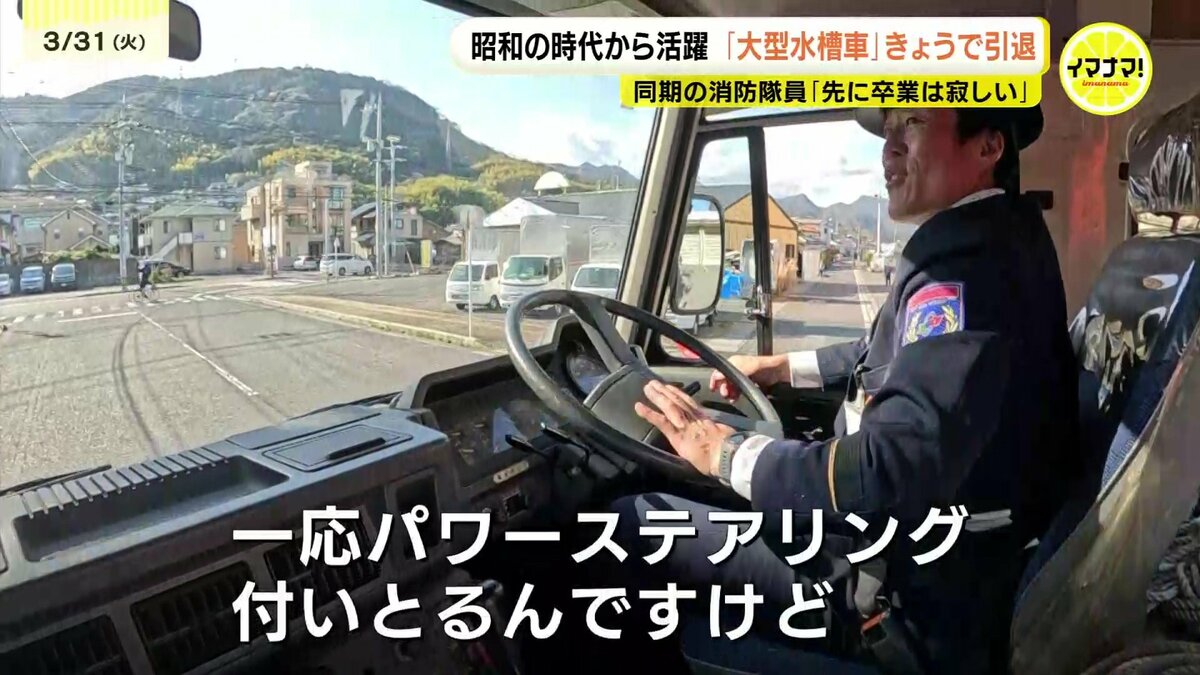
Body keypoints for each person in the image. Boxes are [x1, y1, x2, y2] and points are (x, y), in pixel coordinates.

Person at [576, 105, 1081, 675]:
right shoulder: (994, 239)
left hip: (894, 593)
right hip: (922, 555)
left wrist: (725, 452)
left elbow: (897, 460)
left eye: (912, 123)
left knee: (630, 525)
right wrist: (781, 367)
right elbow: (884, 355)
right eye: (888, 129)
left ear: (988, 147)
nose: (889, 148)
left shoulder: (966, 267)